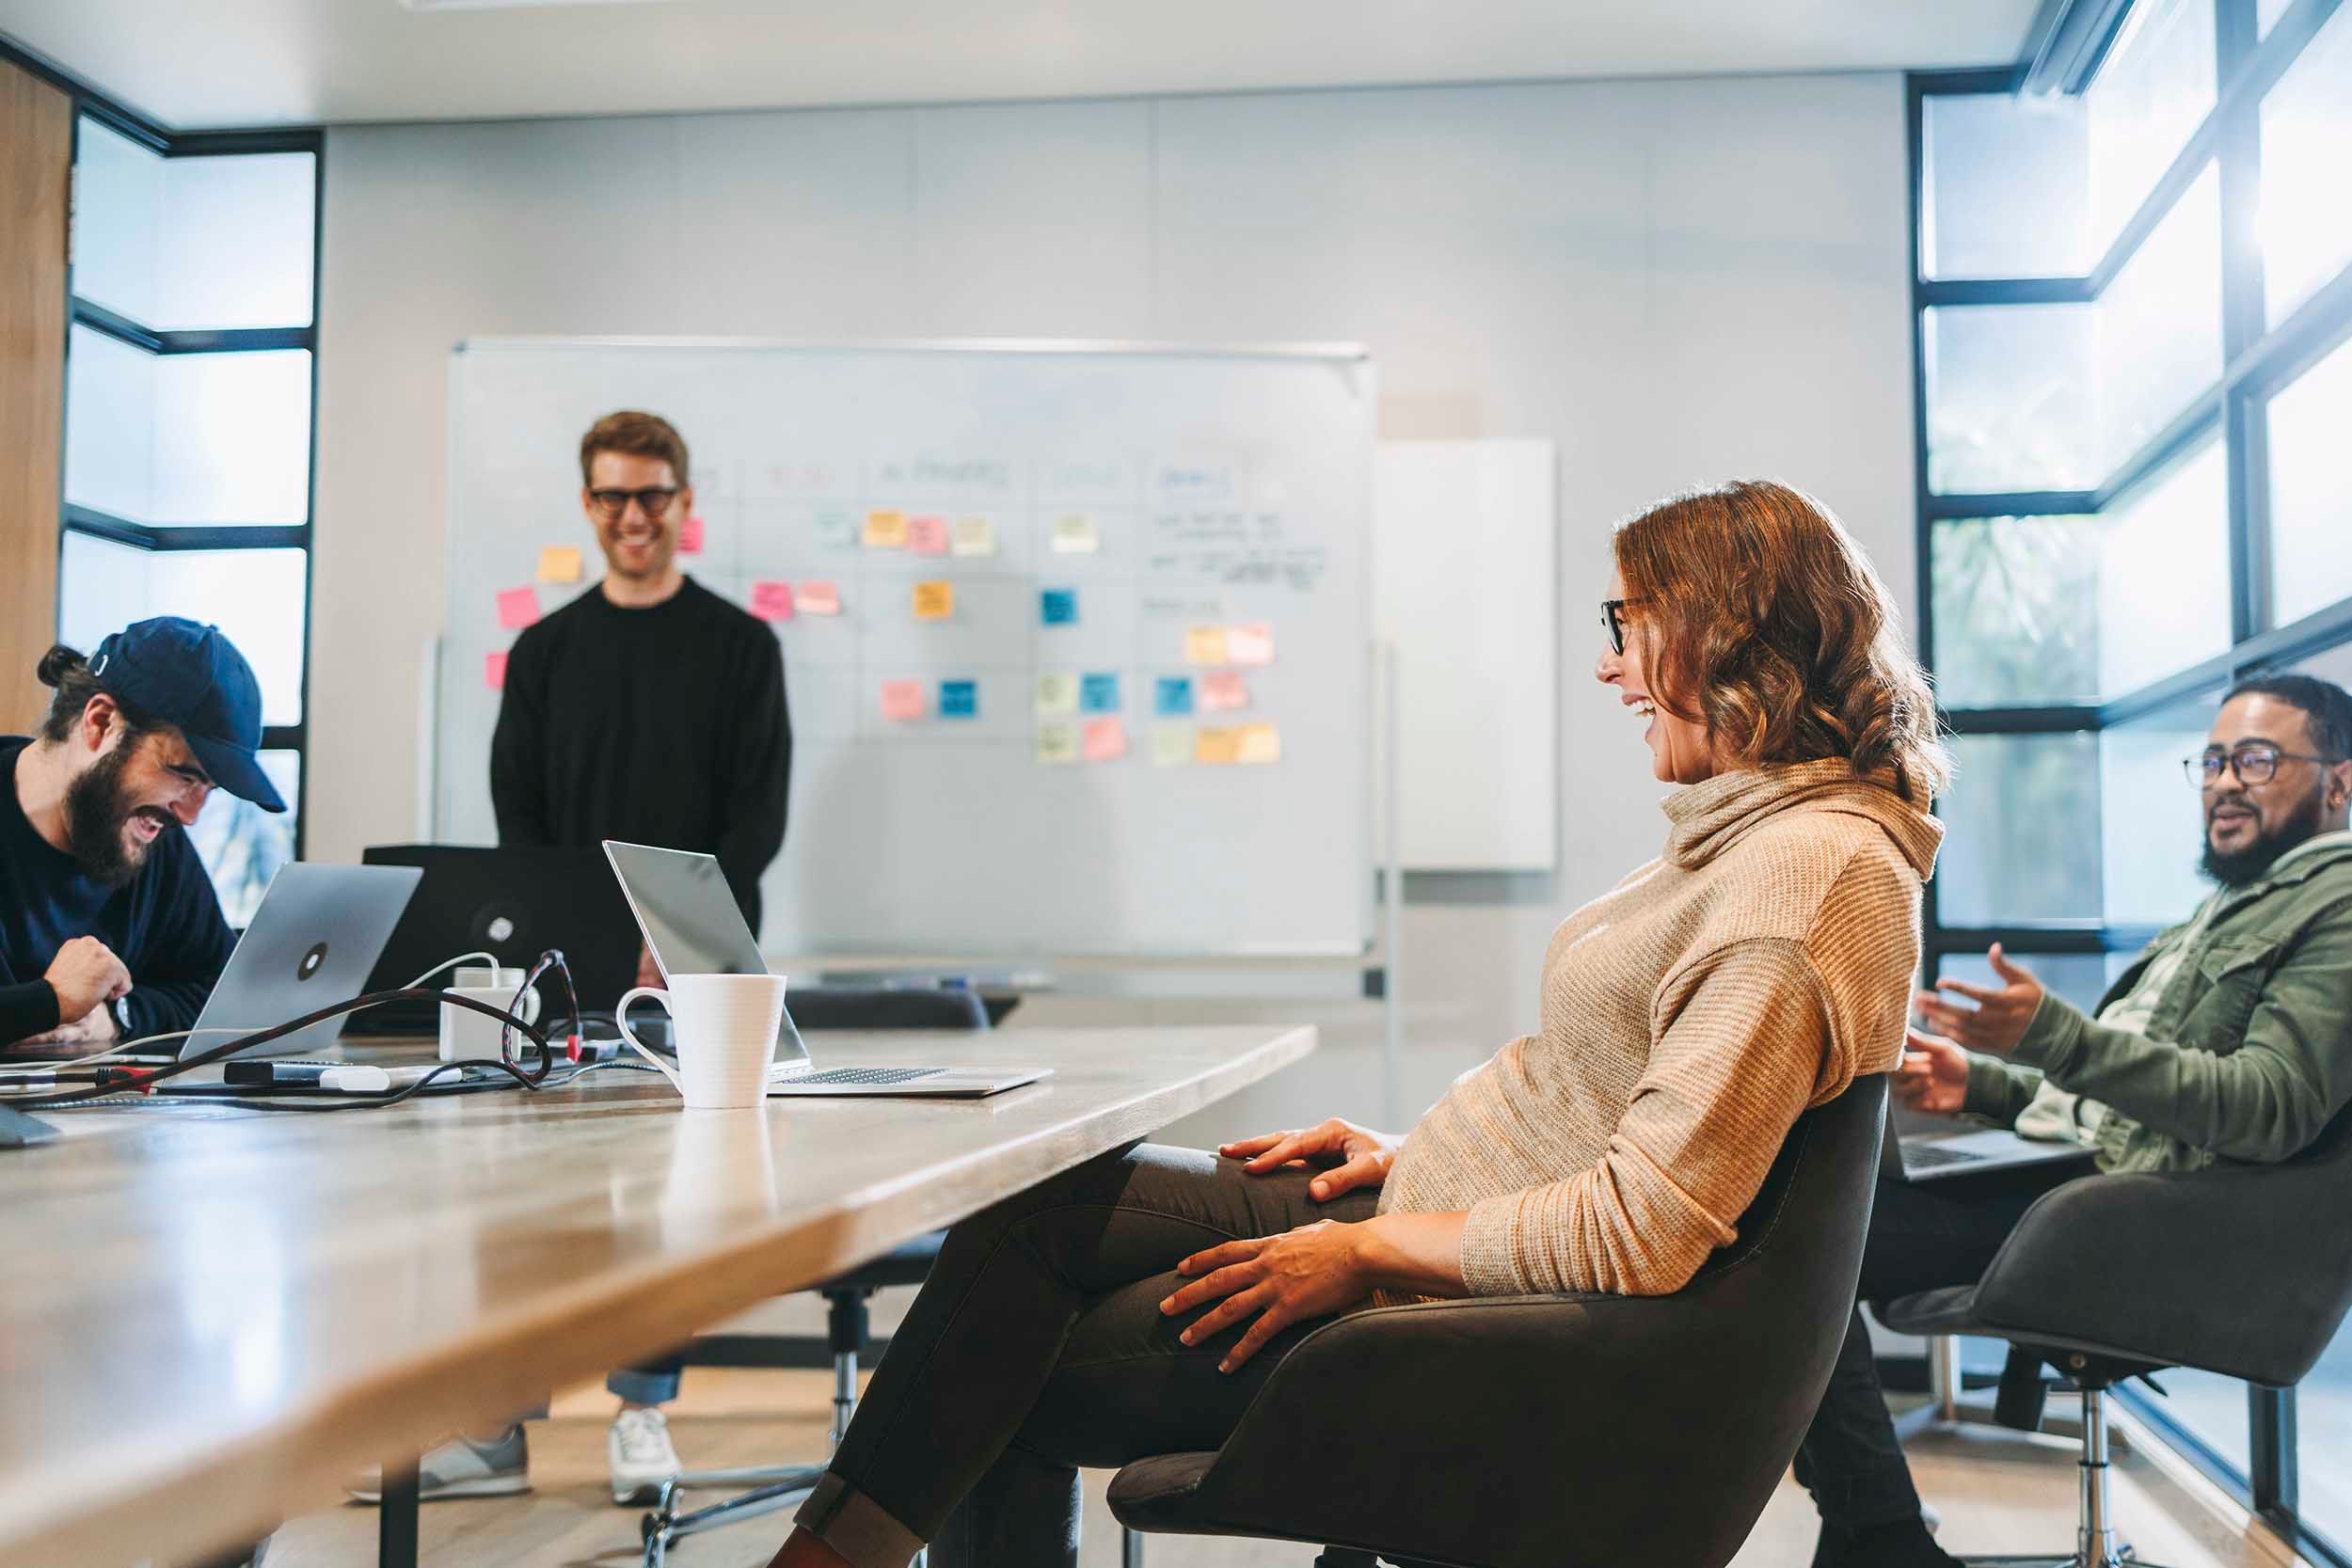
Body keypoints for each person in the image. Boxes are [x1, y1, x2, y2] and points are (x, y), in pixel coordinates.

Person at [753, 479, 1946, 1568]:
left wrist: (1365, 1249)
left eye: (1625, 624)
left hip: (1460, 1308)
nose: (1608, 668)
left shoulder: (1800, 885)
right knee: (1034, 1210)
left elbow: (1643, 1230)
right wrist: (1401, 1150)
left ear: (1727, 632)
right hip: (1427, 1210)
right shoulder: (1754, 838)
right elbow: (1611, 1093)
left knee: (999, 1364)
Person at [1794, 673, 2352, 1568]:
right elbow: (2112, 1104)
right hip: (2091, 1189)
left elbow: (2266, 1107)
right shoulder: (2228, 906)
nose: (2224, 782)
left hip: (2149, 1220)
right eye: (2211, 761)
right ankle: (1874, 1533)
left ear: (2339, 782)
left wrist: (2053, 1033)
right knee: (1791, 1211)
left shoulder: (2339, 908)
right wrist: (1980, 1079)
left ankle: (1883, 1538)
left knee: (1789, 1242)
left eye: (2257, 759)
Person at [449, 410, 789, 1505]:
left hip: (699, 970)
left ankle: (643, 1413)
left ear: (685, 501)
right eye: (612, 496)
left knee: (677, 1202)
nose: (633, 516)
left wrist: (673, 937)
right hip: (565, 964)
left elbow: (757, 820)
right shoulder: (546, 652)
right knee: (528, 1196)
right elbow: (523, 822)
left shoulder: (742, 646)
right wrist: (587, 938)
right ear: (588, 505)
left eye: (652, 495)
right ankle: (500, 1426)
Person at [1, 621, 285, 1054]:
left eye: (208, 788)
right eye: (182, 774)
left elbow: (222, 991)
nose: (189, 815)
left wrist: (117, 1015)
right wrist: (50, 1001)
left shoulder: (148, 833)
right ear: (100, 723)